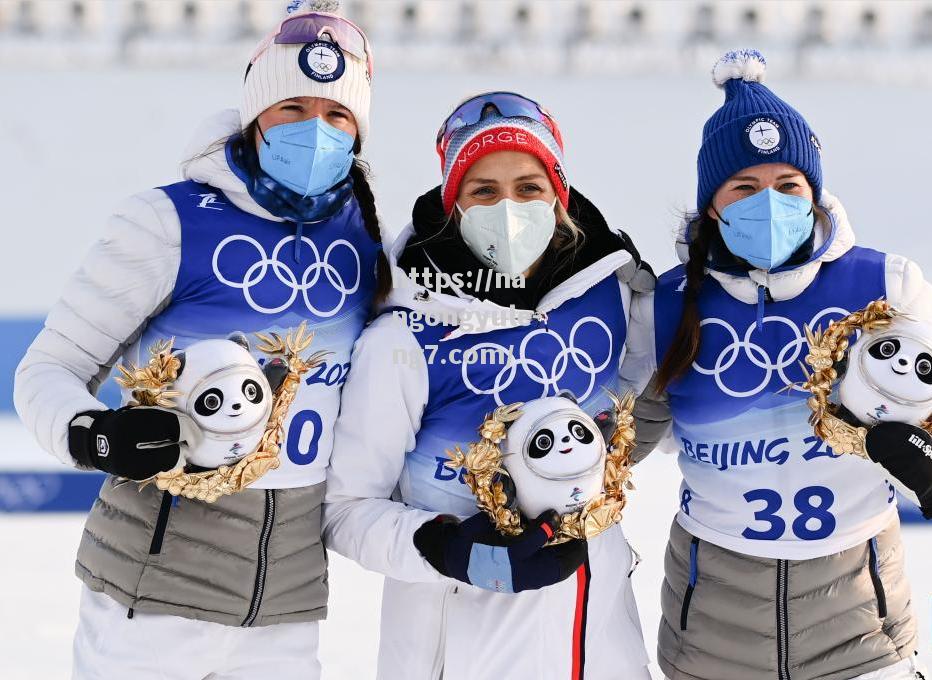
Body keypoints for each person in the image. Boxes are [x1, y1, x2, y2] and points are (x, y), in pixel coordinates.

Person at [13, 2, 386, 678]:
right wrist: (98, 435)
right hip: (151, 597)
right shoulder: (168, 222)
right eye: (292, 108)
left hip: (285, 608)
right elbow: (47, 371)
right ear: (255, 116)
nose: (317, 130)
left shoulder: (368, 245)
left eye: (338, 115)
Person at [323, 91, 655, 680]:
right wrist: (449, 549)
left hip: (601, 640)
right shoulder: (404, 337)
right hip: (456, 649)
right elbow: (346, 511)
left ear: (558, 196)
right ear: (453, 203)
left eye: (529, 187)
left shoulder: (612, 292)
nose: (509, 207)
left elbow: (640, 405)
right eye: (483, 191)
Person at [633, 49, 932, 680]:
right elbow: (612, 447)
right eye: (744, 187)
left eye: (787, 185)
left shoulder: (885, 284)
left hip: (860, 615)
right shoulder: (667, 305)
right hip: (712, 618)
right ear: (711, 204)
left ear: (814, 192)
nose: (767, 203)